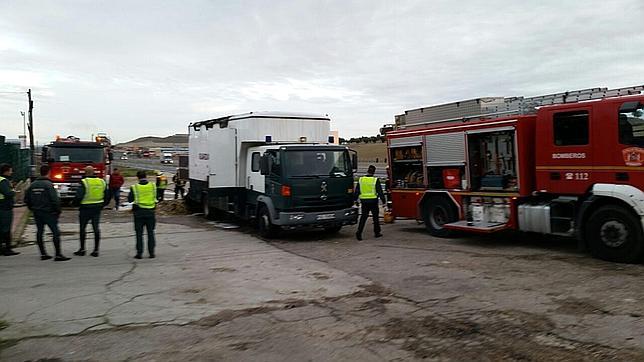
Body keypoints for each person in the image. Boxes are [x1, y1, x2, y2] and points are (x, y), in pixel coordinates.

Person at [25, 165, 70, 261]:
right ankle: (58, 254)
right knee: (55, 232)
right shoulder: (48, 185)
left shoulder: (33, 185)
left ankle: (43, 254)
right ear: (48, 172)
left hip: (37, 212)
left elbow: (27, 199)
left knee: (40, 232)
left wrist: (32, 208)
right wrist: (58, 210)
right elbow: (55, 200)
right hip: (49, 212)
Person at [74, 166, 108, 257]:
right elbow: (107, 195)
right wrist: (103, 204)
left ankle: (82, 249)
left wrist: (75, 204)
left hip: (85, 208)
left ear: (85, 172)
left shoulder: (84, 182)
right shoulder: (101, 181)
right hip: (97, 207)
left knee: (82, 228)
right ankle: (96, 250)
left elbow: (79, 196)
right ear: (93, 172)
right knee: (96, 228)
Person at [129, 170, 157, 259]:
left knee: (139, 234)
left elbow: (130, 199)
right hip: (151, 212)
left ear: (138, 177)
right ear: (146, 176)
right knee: (151, 233)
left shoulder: (135, 187)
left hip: (139, 213)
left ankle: (139, 253)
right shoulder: (153, 186)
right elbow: (156, 197)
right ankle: (151, 253)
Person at [354, 165, 387, 241]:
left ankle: (359, 232)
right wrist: (384, 202)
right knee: (375, 218)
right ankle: (377, 232)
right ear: (374, 172)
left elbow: (357, 191)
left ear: (367, 171)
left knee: (363, 217)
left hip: (364, 202)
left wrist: (355, 200)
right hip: (373, 201)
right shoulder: (375, 180)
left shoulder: (361, 179)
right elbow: (380, 192)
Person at [0, 164, 19, 256]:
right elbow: (7, 193)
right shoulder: (3, 181)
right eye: (11, 170)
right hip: (5, 207)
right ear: (6, 171)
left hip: (2, 206)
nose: (11, 172)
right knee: (6, 228)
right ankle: (7, 249)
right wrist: (13, 192)